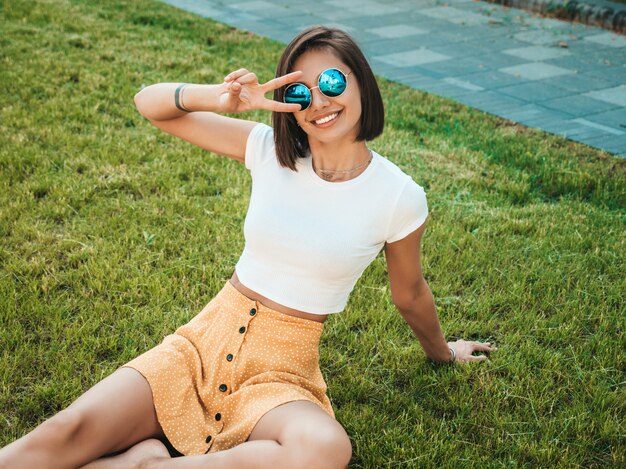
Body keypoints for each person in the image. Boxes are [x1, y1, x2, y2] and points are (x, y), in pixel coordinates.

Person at [0, 26, 494, 469]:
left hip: (282, 374)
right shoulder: (267, 150)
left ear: (362, 82)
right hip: (198, 345)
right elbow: (148, 103)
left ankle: (148, 466)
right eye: (301, 92)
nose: (319, 103)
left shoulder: (398, 196)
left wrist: (443, 355)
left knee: (325, 450)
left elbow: (409, 293)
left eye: (334, 84)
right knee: (64, 432)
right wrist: (220, 98)